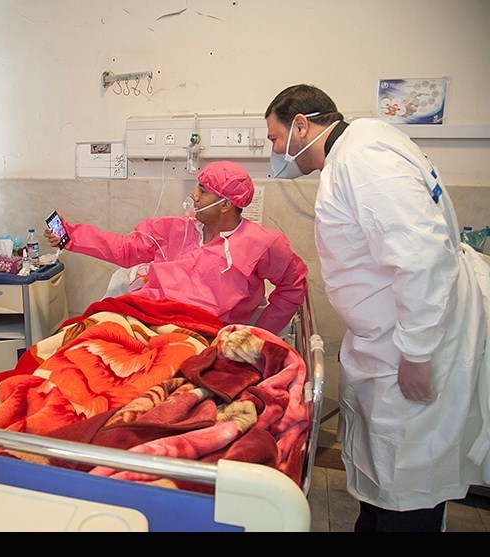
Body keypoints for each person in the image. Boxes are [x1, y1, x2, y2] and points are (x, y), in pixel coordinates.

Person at [264, 84, 490, 532]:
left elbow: (420, 256)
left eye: (274, 137)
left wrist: (418, 354)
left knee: (408, 477)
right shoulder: (363, 147)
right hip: (392, 336)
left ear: (301, 125)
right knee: (392, 476)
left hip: (410, 342)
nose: (273, 151)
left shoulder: (363, 159)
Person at [43, 160, 308, 335]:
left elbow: (293, 286)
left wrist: (258, 334)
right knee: (83, 342)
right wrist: (71, 235)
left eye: (203, 191)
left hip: (200, 334)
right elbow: (124, 249)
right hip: (145, 319)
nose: (193, 195)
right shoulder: (174, 230)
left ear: (226, 204)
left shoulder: (262, 243)